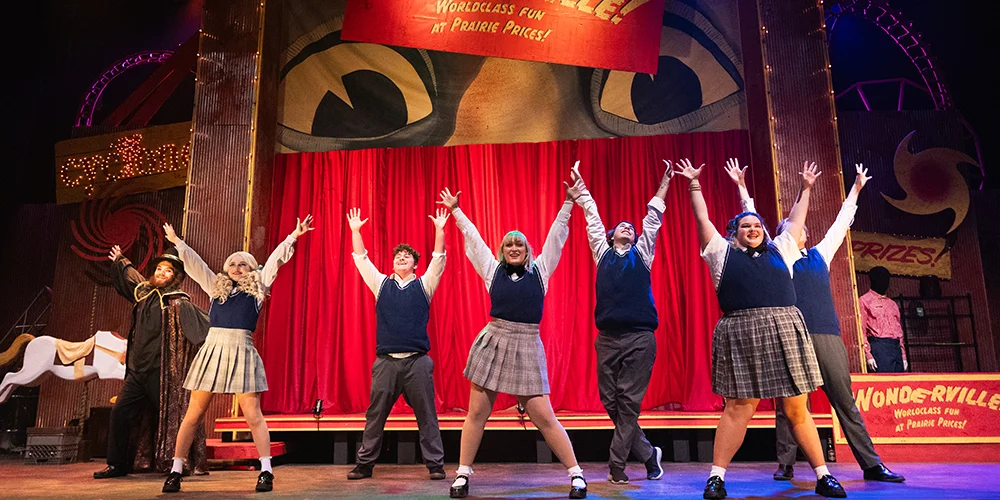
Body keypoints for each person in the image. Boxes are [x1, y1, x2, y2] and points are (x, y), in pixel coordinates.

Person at [674, 158, 846, 499]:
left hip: (784, 327)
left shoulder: (782, 248)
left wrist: (806, 189)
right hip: (742, 330)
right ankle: (717, 478)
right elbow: (701, 219)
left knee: (797, 408)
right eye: (744, 226)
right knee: (739, 408)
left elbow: (797, 218)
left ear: (765, 231)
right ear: (734, 234)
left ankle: (823, 476)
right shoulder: (721, 253)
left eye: (756, 226)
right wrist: (694, 183)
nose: (752, 229)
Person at [725, 160, 904, 483]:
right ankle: (786, 463)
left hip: (824, 334)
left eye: (799, 228)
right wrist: (741, 187)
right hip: (790, 335)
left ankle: (872, 464)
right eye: (787, 229)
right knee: (788, 403)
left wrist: (856, 189)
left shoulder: (822, 253)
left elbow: (841, 223)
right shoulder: (776, 256)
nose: (797, 230)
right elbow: (752, 222)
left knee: (843, 398)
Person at [437, 173, 589, 500]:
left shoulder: (541, 272)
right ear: (503, 250)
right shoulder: (492, 271)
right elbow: (474, 241)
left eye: (519, 243)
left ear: (527, 250)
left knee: (544, 416)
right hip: (493, 340)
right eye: (509, 244)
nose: (514, 247)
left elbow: (556, 238)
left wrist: (568, 203)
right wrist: (456, 212)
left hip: (526, 344)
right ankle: (463, 475)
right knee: (476, 413)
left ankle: (576, 475)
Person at [160, 216, 314, 493]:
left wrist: (293, 236)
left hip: (241, 349)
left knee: (253, 414)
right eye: (232, 263)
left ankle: (266, 471)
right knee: (193, 414)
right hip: (214, 350)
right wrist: (177, 243)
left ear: (253, 269)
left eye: (243, 263)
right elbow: (197, 266)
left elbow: (277, 259)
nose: (237, 267)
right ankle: (175, 470)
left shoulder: (257, 289)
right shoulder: (215, 288)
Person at [570, 161, 672, 484]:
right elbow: (593, 221)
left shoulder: (643, 253)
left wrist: (664, 184)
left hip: (640, 337)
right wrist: (583, 192)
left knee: (628, 400)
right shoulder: (601, 252)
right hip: (607, 338)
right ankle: (648, 453)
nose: (629, 228)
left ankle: (616, 466)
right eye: (623, 226)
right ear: (613, 235)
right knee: (611, 401)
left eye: (632, 226)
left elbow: (652, 219)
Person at [344, 207, 449, 481]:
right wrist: (356, 232)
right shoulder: (381, 284)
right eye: (398, 256)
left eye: (407, 257)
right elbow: (361, 259)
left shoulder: (425, 285)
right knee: (375, 415)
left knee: (427, 414)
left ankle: (435, 464)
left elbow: (439, 259)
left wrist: (440, 229)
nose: (401, 258)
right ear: (392, 263)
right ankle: (364, 464)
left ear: (415, 264)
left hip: (417, 362)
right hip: (386, 363)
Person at [93, 247, 210, 479]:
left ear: (176, 277)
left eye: (167, 271)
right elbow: (132, 278)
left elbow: (207, 328)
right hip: (137, 373)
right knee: (120, 413)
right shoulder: (143, 295)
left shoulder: (179, 303)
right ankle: (117, 464)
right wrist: (121, 260)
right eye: (158, 269)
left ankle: (180, 463)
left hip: (164, 374)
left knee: (176, 417)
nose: (161, 273)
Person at [861, 266, 908, 373]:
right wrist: (868, 355)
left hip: (895, 347)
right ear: (872, 280)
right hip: (879, 347)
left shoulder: (892, 304)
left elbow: (899, 331)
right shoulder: (864, 301)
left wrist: (903, 355)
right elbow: (861, 330)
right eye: (881, 278)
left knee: (899, 385)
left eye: (887, 279)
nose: (885, 281)